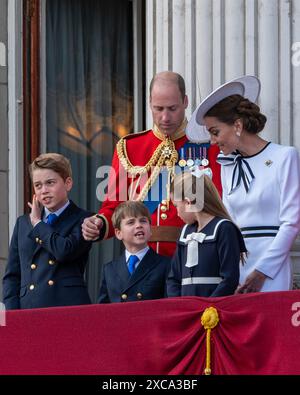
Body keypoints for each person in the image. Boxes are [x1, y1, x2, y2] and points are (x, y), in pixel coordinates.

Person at [82, 71, 221, 257]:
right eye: (158, 108)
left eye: (172, 109)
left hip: (195, 255)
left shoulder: (209, 146)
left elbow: (221, 205)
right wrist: (99, 223)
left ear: (185, 101)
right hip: (142, 258)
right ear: (149, 103)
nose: (165, 117)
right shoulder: (130, 148)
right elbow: (114, 207)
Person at [187, 75, 300, 293]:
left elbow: (291, 223)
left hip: (272, 270)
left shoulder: (285, 157)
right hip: (234, 269)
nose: (212, 141)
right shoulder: (228, 166)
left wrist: (262, 271)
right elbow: (228, 222)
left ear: (237, 125)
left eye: (215, 132)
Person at [2, 153, 92, 309]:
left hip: (68, 308)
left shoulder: (85, 219)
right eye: (38, 185)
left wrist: (38, 224)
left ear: (68, 183)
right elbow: (12, 275)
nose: (43, 190)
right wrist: (13, 314)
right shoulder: (23, 223)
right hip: (29, 309)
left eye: (50, 183)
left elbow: (64, 251)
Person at [167, 170, 246, 297]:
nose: (177, 213)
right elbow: (173, 278)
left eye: (176, 205)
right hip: (186, 308)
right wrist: (178, 305)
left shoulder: (224, 228)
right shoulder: (185, 232)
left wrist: (208, 307)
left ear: (188, 202)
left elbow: (229, 279)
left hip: (213, 310)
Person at [98, 201, 170, 303]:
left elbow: (169, 306)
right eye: (131, 222)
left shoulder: (166, 265)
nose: (139, 225)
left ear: (150, 229)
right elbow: (103, 310)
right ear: (118, 233)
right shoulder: (109, 269)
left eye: (143, 221)